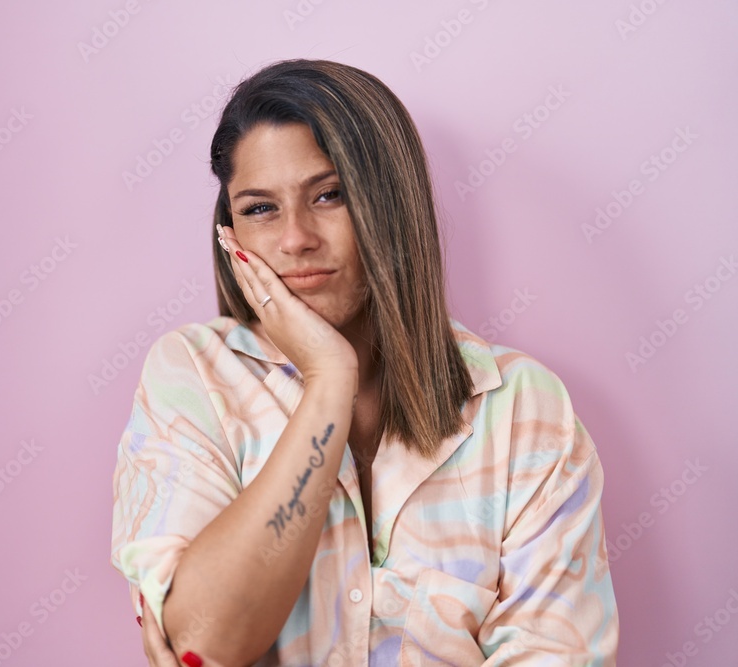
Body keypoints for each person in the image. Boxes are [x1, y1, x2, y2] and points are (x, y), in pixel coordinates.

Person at [110, 58, 619, 666]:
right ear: (231, 234)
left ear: (391, 208)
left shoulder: (521, 409)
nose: (296, 238)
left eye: (330, 195)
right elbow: (204, 643)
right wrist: (329, 381)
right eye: (260, 208)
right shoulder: (192, 375)